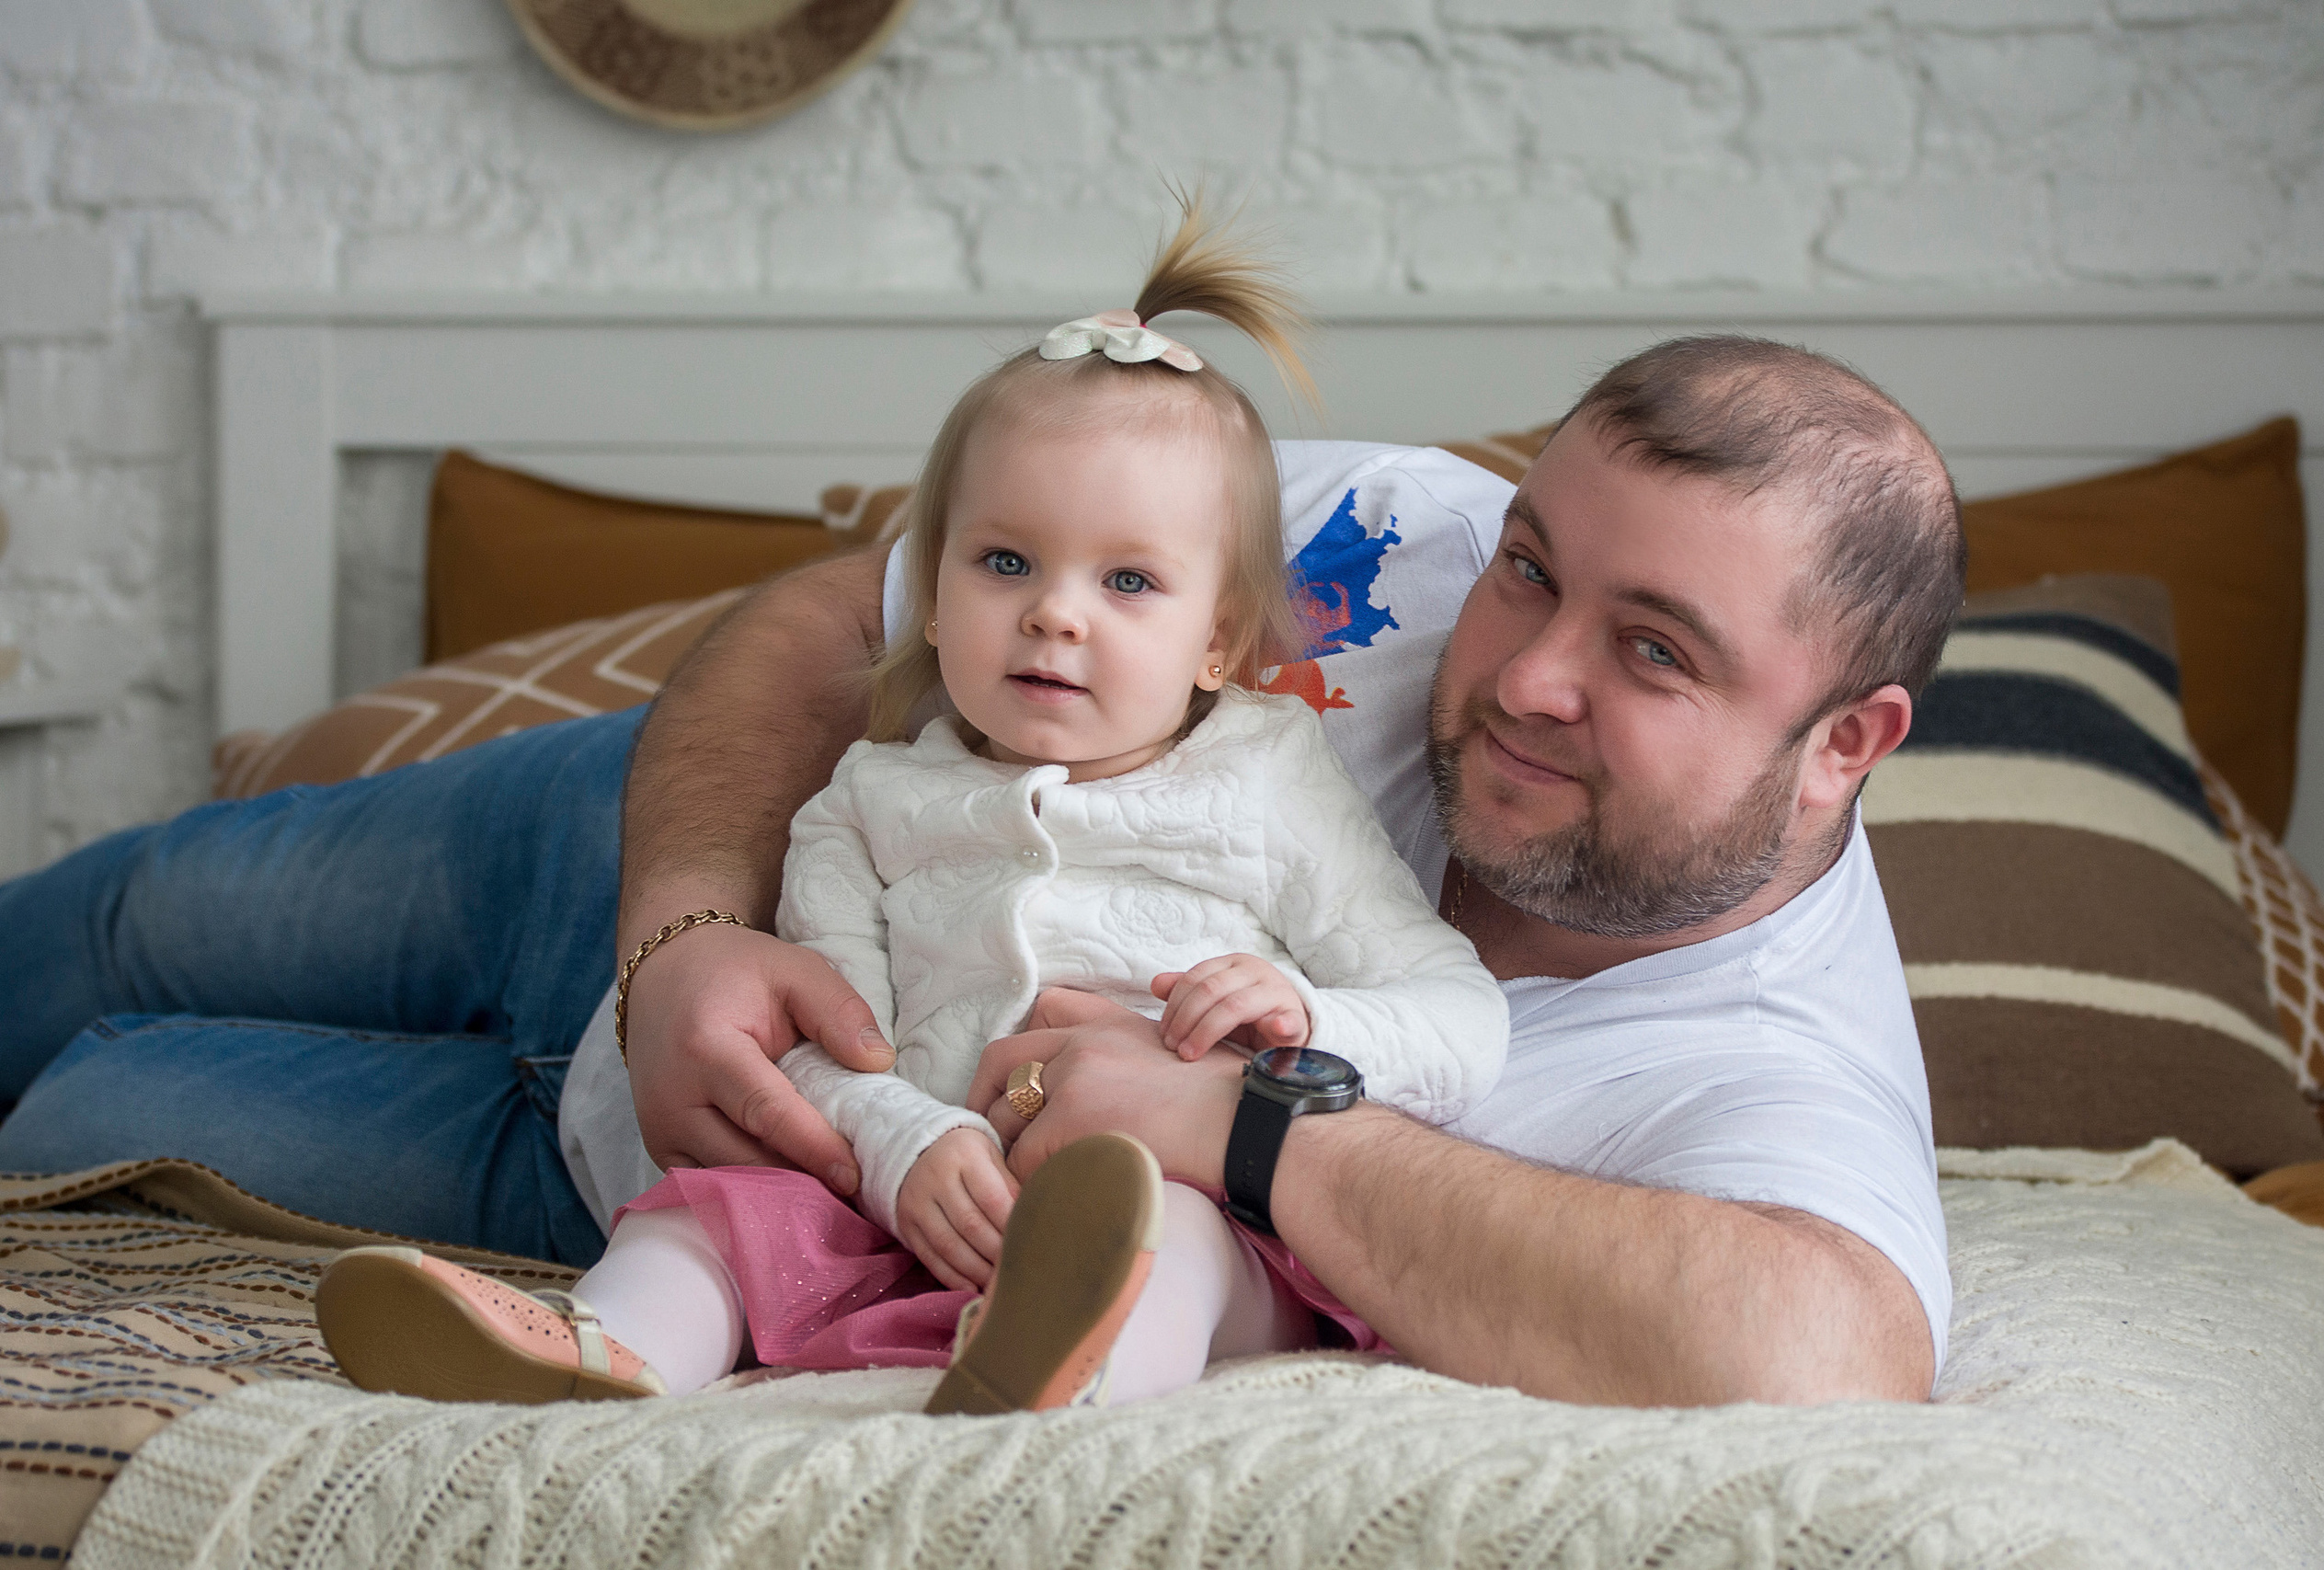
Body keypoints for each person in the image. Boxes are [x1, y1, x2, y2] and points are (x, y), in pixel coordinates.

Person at [0, 329, 1959, 1408]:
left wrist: (1238, 1128)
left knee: (83, 1100)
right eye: (1537, 561)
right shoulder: (1378, 542)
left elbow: (1818, 1349)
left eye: (1654, 649)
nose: (1519, 663)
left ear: (1843, 745)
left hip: (651, 1180)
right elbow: (797, 630)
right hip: (626, 857)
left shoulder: (1768, 1058)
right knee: (79, 935)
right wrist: (684, 928)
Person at [309, 208, 1507, 1414]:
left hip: (1169, 1185)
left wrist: (1307, 1016)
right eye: (1004, 563)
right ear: (928, 598)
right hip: (906, 1203)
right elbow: (823, 1049)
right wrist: (900, 1146)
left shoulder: (1273, 780)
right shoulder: (868, 805)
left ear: (1220, 642)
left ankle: (1072, 1367)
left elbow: (1461, 1020)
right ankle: (601, 1353)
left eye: (1129, 580)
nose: (1056, 615)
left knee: (1182, 1240)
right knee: (712, 1219)